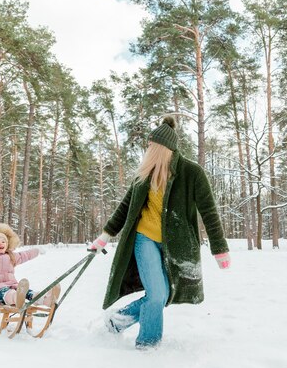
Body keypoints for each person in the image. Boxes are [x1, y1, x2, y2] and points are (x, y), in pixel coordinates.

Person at [89, 115, 231, 349]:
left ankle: (116, 321)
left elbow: (209, 211)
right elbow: (124, 208)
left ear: (165, 148)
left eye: (152, 146)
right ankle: (148, 344)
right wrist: (104, 238)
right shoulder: (144, 174)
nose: (149, 150)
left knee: (163, 296)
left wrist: (220, 248)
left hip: (176, 245)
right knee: (156, 295)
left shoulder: (191, 173)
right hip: (144, 240)